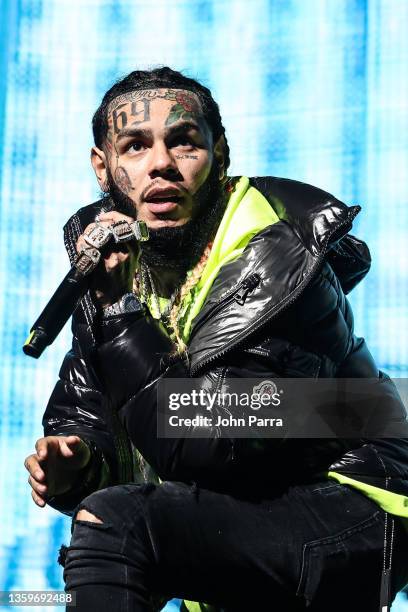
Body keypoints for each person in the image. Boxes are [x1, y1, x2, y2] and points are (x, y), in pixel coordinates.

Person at [24, 67, 408, 611]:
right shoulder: (113, 258)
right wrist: (80, 462)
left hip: (354, 507)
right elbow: (89, 410)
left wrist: (120, 313)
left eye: (183, 142)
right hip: (247, 508)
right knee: (106, 537)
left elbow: (215, 442)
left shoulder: (281, 257)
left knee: (120, 526)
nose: (160, 163)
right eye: (134, 146)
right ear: (102, 167)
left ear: (219, 153)